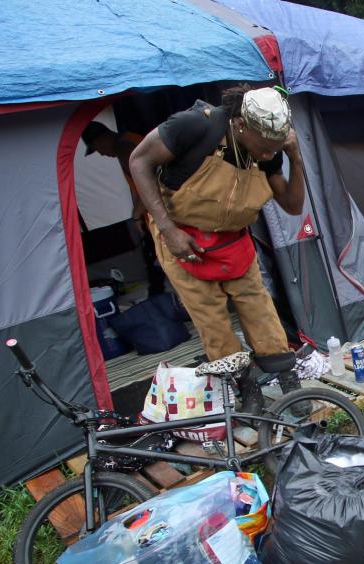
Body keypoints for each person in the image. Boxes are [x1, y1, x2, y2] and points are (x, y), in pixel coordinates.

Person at [128, 85, 306, 413]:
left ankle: (288, 381)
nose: (268, 155)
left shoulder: (271, 148)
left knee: (260, 309)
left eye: (275, 148)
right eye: (264, 148)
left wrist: (293, 155)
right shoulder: (195, 125)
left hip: (233, 240)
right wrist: (168, 230)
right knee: (212, 320)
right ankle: (246, 386)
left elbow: (294, 206)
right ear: (240, 125)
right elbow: (139, 161)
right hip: (184, 240)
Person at [82, 121, 166, 293]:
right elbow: (137, 189)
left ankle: (162, 298)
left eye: (97, 149)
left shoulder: (124, 148)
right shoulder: (131, 139)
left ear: (100, 140)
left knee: (162, 260)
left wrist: (136, 215)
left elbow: (149, 182)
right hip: (158, 209)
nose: (102, 154)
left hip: (163, 210)